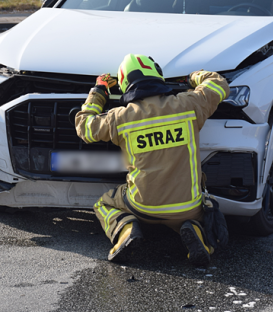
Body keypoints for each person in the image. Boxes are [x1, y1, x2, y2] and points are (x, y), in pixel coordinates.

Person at [74, 54, 230, 265]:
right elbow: (219, 84)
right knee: (196, 214)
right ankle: (196, 230)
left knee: (104, 203)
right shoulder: (188, 104)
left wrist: (99, 91)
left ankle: (125, 229)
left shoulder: (120, 117)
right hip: (188, 205)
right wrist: (192, 77)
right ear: (157, 75)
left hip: (142, 205)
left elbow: (85, 127)